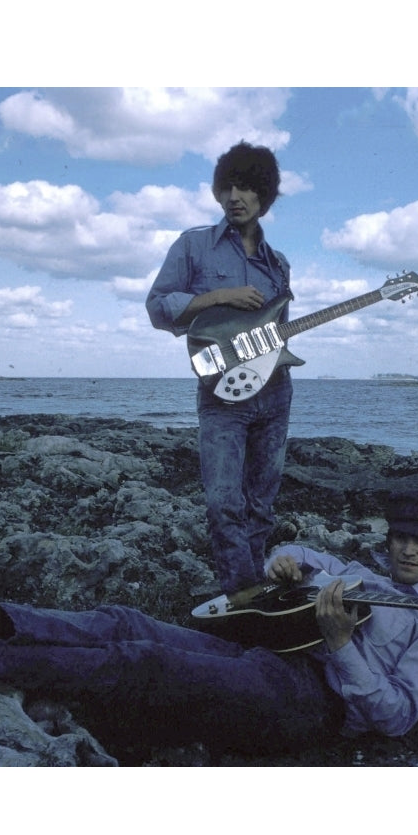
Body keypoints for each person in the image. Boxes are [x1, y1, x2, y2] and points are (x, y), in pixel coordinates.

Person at [0, 490, 418, 758]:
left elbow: (396, 716)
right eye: (401, 538)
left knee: (143, 663)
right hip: (272, 649)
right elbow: (307, 563)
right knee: (122, 619)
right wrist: (285, 559)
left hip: (312, 704)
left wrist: (344, 647)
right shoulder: (367, 571)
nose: (407, 551)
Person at [145, 141, 293, 596]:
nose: (235, 196)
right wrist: (216, 298)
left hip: (274, 392)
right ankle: (241, 592)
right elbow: (157, 307)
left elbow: (276, 335)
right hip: (220, 394)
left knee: (262, 505)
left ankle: (251, 592)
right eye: (227, 186)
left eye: (247, 187)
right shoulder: (194, 246)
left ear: (264, 197)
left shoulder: (278, 265)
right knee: (223, 502)